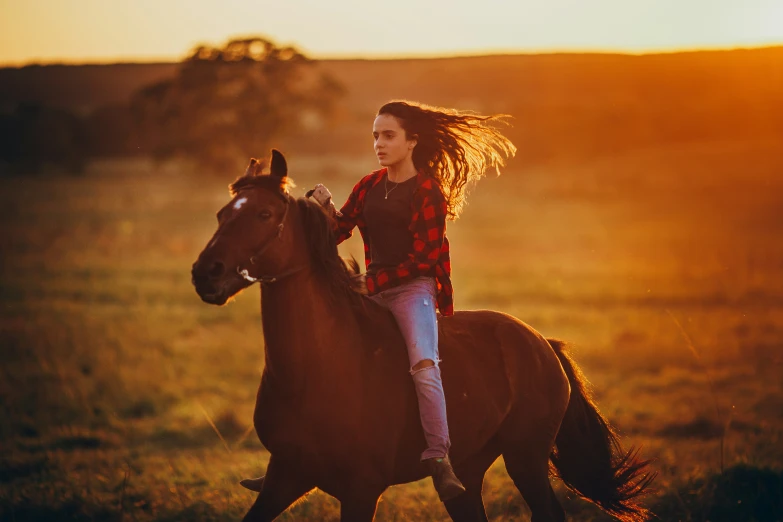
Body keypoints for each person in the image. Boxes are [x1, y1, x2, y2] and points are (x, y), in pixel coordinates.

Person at [311, 100, 516, 502]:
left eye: (388, 136)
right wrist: (323, 210)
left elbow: (424, 259)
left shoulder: (427, 191)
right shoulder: (369, 185)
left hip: (412, 292)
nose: (379, 144)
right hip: (372, 289)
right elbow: (338, 230)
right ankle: (299, 459)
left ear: (412, 142)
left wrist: (372, 285)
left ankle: (438, 457)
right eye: (375, 136)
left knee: (423, 366)